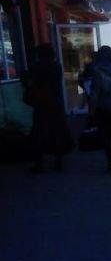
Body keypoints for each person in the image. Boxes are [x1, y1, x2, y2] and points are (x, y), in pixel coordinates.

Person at [22, 44, 73, 173]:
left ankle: (39, 164)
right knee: (57, 132)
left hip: (41, 105)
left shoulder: (36, 67)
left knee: (38, 133)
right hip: (55, 103)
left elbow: (26, 79)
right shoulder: (56, 66)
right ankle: (58, 161)